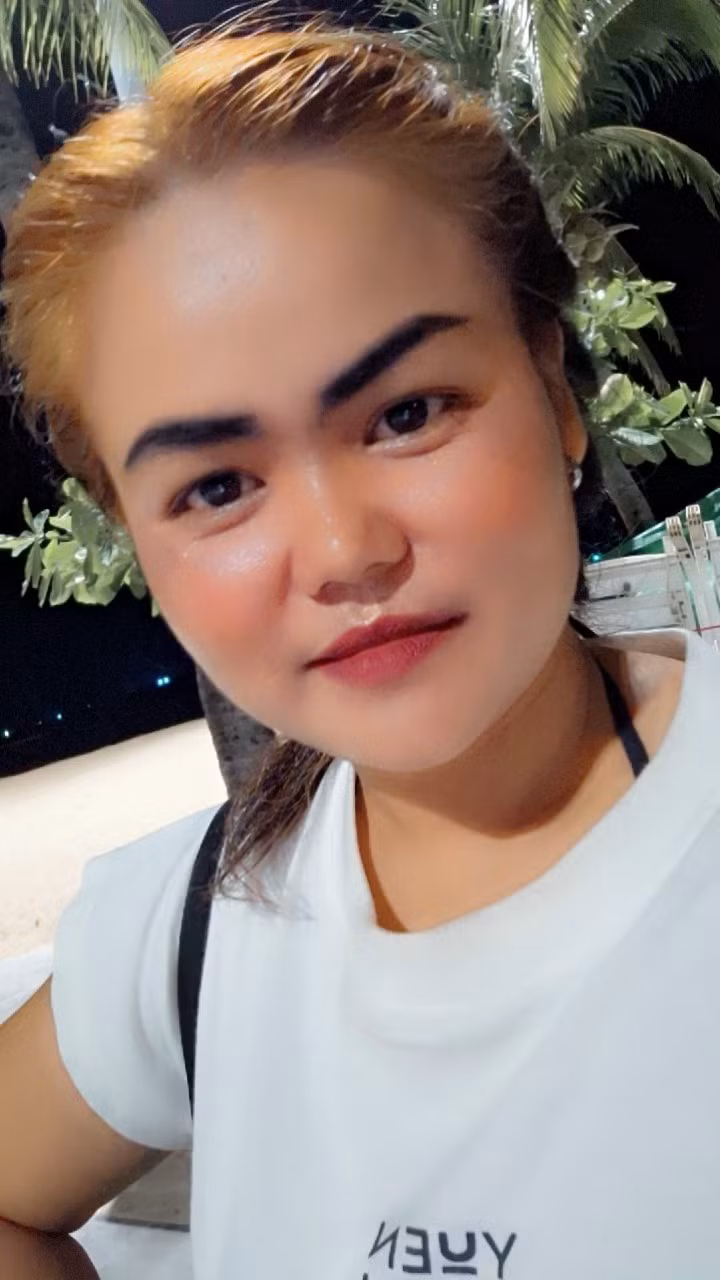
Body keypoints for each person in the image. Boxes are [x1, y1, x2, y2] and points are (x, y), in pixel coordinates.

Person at [0, 17, 717, 1280]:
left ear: (553, 390)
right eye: (218, 487)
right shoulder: (186, 931)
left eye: (407, 411)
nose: (344, 550)